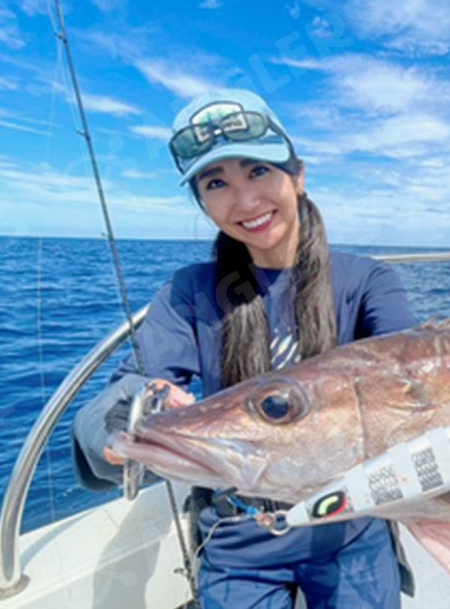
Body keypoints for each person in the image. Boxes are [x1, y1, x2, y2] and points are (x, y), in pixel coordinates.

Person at [71, 88, 416, 608]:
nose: (245, 201)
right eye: (216, 183)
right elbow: (125, 392)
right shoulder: (190, 291)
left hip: (352, 525)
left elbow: (422, 378)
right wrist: (130, 422)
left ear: (297, 176)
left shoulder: (366, 281)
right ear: (202, 202)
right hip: (238, 534)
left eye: (258, 171)